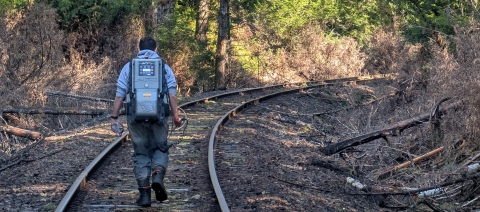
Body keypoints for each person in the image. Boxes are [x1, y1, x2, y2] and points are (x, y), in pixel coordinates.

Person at [110, 36, 182, 207]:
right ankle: (157, 175)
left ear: (138, 49)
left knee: (141, 152)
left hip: (135, 117)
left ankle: (144, 194)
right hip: (160, 117)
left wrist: (114, 117)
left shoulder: (129, 66)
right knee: (161, 147)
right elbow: (172, 94)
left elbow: (120, 94)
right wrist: (176, 116)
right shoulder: (164, 67)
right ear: (156, 49)